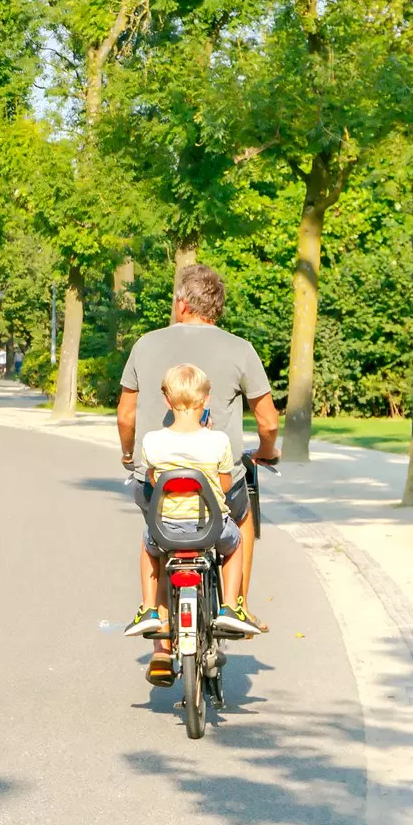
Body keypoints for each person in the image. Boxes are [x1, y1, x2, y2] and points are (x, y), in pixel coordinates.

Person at [118, 263, 280, 638]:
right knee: (242, 517)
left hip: (157, 481)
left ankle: (160, 645)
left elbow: (126, 416)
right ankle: (237, 606)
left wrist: (129, 455)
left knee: (158, 533)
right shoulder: (241, 349)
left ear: (181, 303)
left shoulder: (145, 344)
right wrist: (266, 451)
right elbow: (269, 422)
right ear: (216, 308)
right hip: (215, 482)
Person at [123, 363, 253, 683]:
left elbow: (154, 479)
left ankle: (149, 609)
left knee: (148, 547)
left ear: (167, 400)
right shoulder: (218, 441)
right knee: (236, 544)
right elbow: (224, 484)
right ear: (206, 400)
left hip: (167, 528)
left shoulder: (153, 441)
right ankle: (229, 607)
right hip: (210, 528)